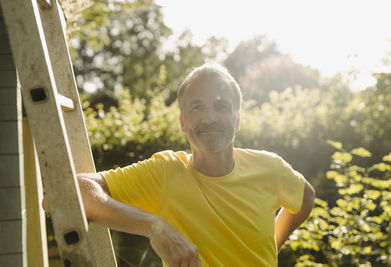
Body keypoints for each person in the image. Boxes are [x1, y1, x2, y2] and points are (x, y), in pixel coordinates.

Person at [44, 63, 315, 267]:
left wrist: (272, 245)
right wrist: (154, 226)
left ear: (237, 120)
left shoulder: (269, 167)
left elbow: (306, 198)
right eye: (197, 107)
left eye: (221, 106)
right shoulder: (166, 172)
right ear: (183, 122)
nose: (209, 118)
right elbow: (62, 194)